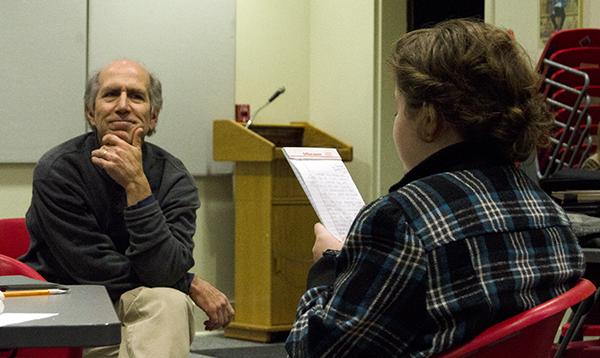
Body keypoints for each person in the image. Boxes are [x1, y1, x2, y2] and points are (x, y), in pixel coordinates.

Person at [285, 19, 585, 357]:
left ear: (429, 118)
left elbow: (318, 352)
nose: (395, 124)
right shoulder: (551, 216)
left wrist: (327, 265)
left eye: (398, 109)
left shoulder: (400, 222)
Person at [22, 59, 234, 357]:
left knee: (170, 302)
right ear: (90, 113)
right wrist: (189, 282)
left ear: (153, 117)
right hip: (71, 310)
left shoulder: (174, 177)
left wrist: (138, 187)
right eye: (111, 95)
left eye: (136, 96)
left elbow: (165, 271)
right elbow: (93, 269)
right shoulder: (58, 170)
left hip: (136, 309)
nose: (123, 106)